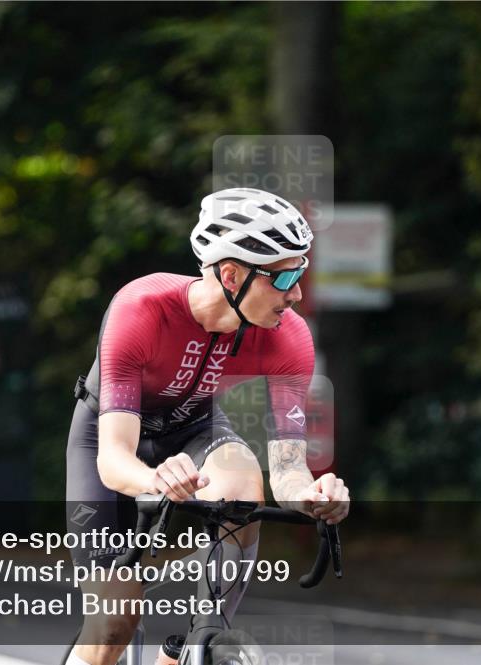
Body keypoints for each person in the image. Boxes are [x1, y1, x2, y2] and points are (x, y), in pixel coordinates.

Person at [64, 187, 351, 665]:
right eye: (286, 276)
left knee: (243, 483)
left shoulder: (289, 334)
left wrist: (313, 497)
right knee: (114, 626)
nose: (297, 292)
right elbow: (115, 460)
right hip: (108, 439)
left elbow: (287, 469)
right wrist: (154, 479)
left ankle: (202, 636)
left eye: (302, 271)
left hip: (194, 428)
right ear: (231, 274)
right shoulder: (142, 309)